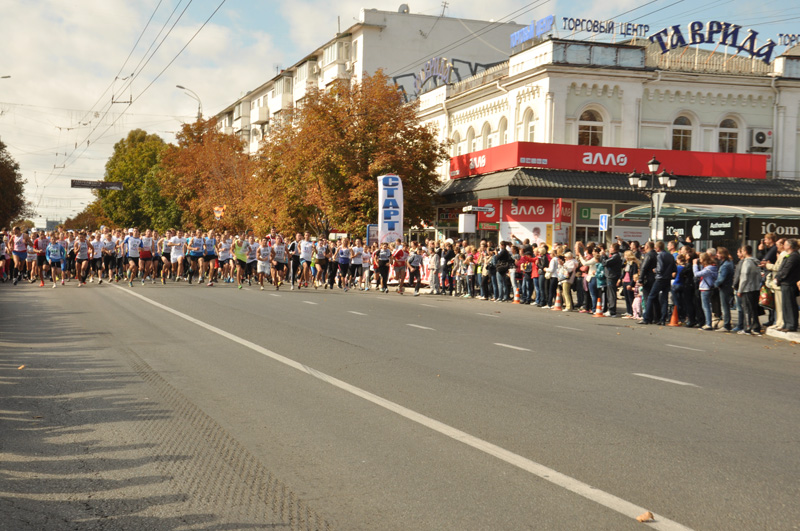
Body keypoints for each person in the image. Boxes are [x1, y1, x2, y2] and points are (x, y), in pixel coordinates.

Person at [640, 241, 675, 325]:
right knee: (664, 299)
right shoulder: (670, 256)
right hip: (667, 279)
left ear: (658, 248)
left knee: (651, 297)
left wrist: (655, 270)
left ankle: (646, 317)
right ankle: (662, 319)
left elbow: (660, 268)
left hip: (660, 278)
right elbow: (674, 268)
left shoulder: (659, 256)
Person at [774, 238, 800, 332]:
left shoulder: (794, 256)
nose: (783, 246)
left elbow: (786, 269)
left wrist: (779, 277)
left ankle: (791, 324)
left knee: (790, 304)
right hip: (785, 283)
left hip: (789, 283)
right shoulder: (789, 255)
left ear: (789, 246)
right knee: (785, 304)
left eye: (785, 244)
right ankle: (786, 323)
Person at [737, 245, 763, 335]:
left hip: (747, 289)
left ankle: (747, 327)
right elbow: (759, 276)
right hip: (755, 288)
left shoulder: (746, 262)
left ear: (744, 251)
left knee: (747, 309)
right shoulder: (756, 262)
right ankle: (756, 327)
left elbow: (744, 277)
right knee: (754, 309)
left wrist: (740, 290)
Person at [693, 252, 718, 330]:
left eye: (700, 259)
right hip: (707, 288)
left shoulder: (709, 268)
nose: (699, 260)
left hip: (705, 288)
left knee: (706, 306)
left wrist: (694, 265)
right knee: (706, 306)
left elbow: (697, 274)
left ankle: (708, 324)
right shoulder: (711, 267)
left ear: (703, 259)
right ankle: (708, 323)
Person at [713, 247, 734, 332]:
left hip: (724, 287)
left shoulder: (725, 265)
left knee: (725, 306)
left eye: (718, 253)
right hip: (726, 286)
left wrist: (715, 284)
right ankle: (727, 323)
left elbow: (721, 278)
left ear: (722, 254)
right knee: (725, 306)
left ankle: (726, 325)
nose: (717, 255)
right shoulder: (728, 263)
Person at [602, 243, 623, 317]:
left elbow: (605, 263)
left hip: (612, 276)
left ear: (614, 249)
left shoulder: (615, 256)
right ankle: (610, 309)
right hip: (609, 276)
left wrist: (603, 256)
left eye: (610, 247)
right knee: (609, 293)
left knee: (611, 294)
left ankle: (612, 311)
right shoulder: (613, 256)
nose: (609, 249)